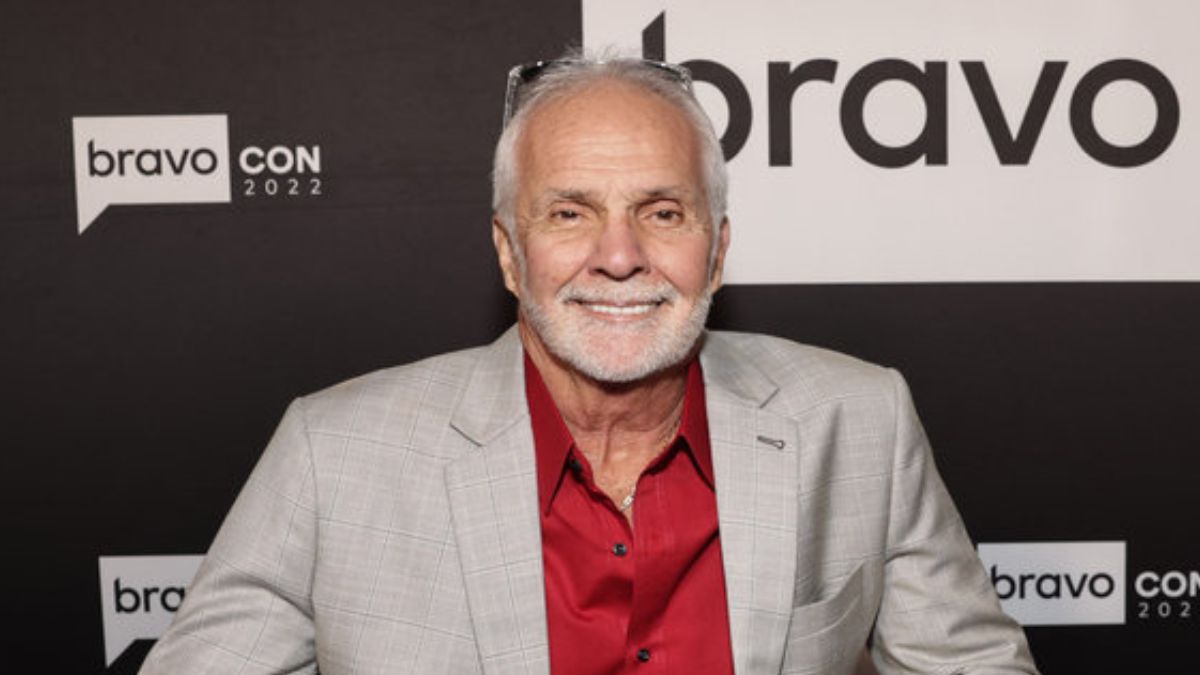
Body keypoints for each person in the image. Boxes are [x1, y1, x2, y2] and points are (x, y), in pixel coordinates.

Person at [140, 53, 1038, 675]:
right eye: (569, 213)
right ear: (509, 252)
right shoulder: (332, 454)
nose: (618, 256)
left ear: (717, 252)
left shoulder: (860, 419)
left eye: (662, 212)